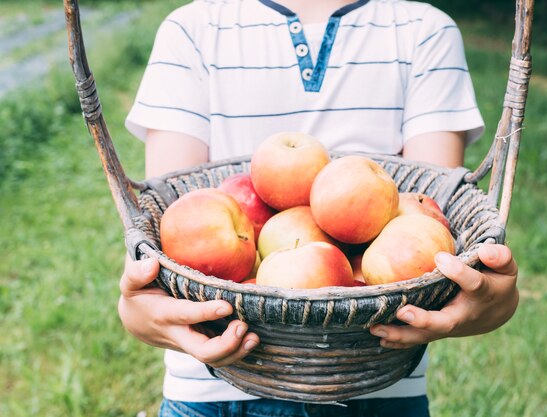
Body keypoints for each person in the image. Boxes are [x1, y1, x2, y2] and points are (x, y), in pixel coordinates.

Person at [119, 0, 520, 416]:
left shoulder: (424, 31)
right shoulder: (192, 30)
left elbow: (431, 224)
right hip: (212, 395)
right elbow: (167, 249)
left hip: (378, 390)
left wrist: (492, 304)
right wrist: (136, 309)